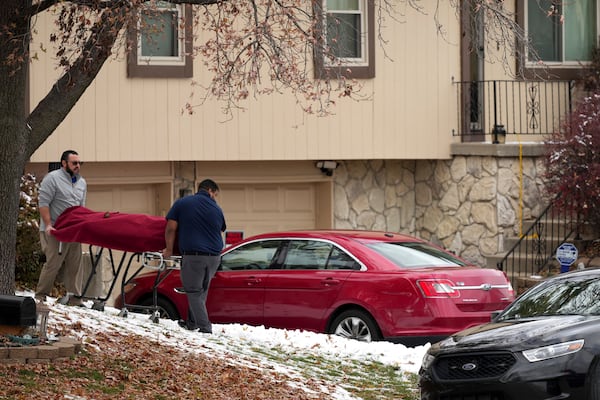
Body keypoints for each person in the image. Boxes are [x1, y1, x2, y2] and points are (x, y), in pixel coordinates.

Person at [163, 179, 226, 333]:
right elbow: (221, 228)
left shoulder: (183, 203)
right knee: (200, 292)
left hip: (194, 256)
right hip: (214, 257)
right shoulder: (216, 208)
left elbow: (171, 228)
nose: (214, 197)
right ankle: (192, 322)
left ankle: (205, 328)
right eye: (215, 194)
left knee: (193, 291)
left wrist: (169, 250)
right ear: (210, 191)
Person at [36, 150, 87, 305]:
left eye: (79, 163)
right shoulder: (52, 179)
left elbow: (81, 207)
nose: (78, 166)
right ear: (64, 163)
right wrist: (49, 224)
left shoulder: (82, 182)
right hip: (54, 230)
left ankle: (75, 298)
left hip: (73, 230)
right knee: (53, 263)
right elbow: (43, 203)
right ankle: (40, 295)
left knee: (76, 263)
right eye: (74, 163)